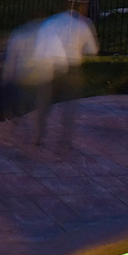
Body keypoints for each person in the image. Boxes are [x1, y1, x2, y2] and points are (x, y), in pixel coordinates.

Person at [33, 9, 98, 151]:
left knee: (44, 102)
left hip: (51, 67)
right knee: (70, 105)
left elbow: (40, 48)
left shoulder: (50, 23)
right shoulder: (83, 25)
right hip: (72, 68)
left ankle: (38, 135)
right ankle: (66, 140)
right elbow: (92, 49)